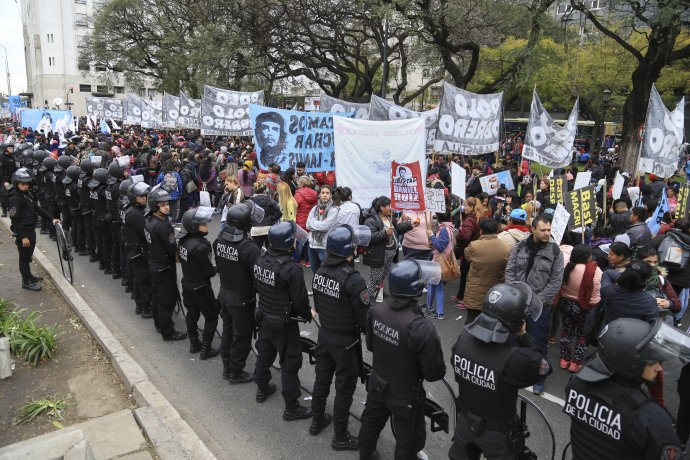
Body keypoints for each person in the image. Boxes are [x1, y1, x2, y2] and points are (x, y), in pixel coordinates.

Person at [448, 282, 551, 460]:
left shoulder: (463, 339)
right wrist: (523, 335)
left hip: (464, 423)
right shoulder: (516, 359)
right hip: (497, 435)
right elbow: (544, 367)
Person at [358, 260, 446, 460]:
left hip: (378, 382)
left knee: (370, 424)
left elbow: (372, 345)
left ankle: (366, 454)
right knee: (408, 441)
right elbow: (434, 373)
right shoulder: (421, 327)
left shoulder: (376, 310)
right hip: (405, 394)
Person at [564, 317, 684, 459]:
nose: (658, 368)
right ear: (632, 364)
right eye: (652, 362)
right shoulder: (650, 417)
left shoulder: (576, 384)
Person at [309, 225, 371, 451]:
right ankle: (340, 436)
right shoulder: (353, 280)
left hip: (324, 336)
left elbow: (318, 305)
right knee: (344, 390)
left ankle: (316, 420)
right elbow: (365, 319)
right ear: (349, 251)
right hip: (346, 343)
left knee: (322, 380)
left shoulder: (319, 272)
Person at [253, 221, 312, 420]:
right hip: (284, 323)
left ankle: (262, 388)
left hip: (265, 315)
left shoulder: (260, 259)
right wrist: (306, 314)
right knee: (290, 363)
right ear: (289, 243)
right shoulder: (291, 269)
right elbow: (300, 300)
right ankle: (292, 407)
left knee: (265, 353)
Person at [505, 215, 564, 395]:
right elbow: (510, 271)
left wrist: (535, 302)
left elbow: (555, 283)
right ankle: (515, 369)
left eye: (549, 230)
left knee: (537, 342)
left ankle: (539, 377)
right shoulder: (520, 247)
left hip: (540, 307)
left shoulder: (555, 252)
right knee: (513, 338)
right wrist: (513, 295)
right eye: (543, 230)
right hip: (517, 303)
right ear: (533, 229)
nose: (547, 233)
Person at [215, 201, 262, 383]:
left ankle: (227, 367)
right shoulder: (248, 248)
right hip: (242, 299)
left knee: (227, 332)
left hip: (225, 293)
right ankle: (236, 371)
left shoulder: (219, 240)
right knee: (241, 336)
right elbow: (257, 278)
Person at [6, 167, 60, 291]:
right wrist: (22, 237)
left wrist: (52, 218)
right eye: (22, 184)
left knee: (28, 255)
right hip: (23, 232)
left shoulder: (26, 194)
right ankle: (26, 282)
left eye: (27, 184)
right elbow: (15, 220)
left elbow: (37, 209)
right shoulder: (14, 199)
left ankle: (29, 276)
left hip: (30, 230)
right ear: (16, 184)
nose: (25, 186)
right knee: (24, 258)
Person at [145, 187, 187, 341]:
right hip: (164, 266)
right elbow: (171, 247)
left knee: (157, 297)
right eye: (162, 205)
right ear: (156, 206)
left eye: (168, 204)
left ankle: (159, 324)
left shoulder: (149, 220)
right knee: (166, 301)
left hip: (154, 263)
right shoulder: (163, 225)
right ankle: (167, 332)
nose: (167, 206)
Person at [178, 206, 220, 359]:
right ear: (195, 227)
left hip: (187, 283)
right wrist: (217, 268)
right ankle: (206, 349)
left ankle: (194, 343)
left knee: (192, 313)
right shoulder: (201, 246)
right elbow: (208, 271)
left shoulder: (183, 241)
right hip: (201, 286)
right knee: (212, 316)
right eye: (203, 224)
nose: (207, 226)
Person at [557, 244, 602, 373]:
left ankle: (564, 360)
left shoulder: (567, 267)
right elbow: (596, 294)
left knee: (566, 331)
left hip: (566, 304)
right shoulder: (595, 271)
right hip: (585, 307)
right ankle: (576, 363)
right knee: (583, 335)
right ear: (588, 256)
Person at [363, 196, 415, 303]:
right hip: (379, 255)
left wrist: (410, 225)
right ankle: (367, 300)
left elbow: (398, 229)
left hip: (390, 255)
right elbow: (370, 237)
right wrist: (385, 233)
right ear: (381, 207)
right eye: (388, 206)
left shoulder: (390, 217)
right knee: (375, 278)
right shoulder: (371, 220)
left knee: (381, 277)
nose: (391, 208)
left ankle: (378, 295)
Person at [463, 218, 511, 324]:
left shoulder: (474, 246)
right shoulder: (506, 247)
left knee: (472, 321)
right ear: (497, 231)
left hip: (475, 291)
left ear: (481, 231)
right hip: (496, 292)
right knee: (491, 322)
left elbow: (467, 256)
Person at [123, 181, 153, 318]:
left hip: (134, 250)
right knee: (144, 280)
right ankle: (146, 308)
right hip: (139, 252)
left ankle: (139, 305)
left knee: (138, 279)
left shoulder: (131, 210)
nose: (144, 198)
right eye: (141, 196)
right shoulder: (134, 214)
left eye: (145, 195)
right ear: (133, 198)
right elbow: (145, 232)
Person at [453, 196, 484, 308]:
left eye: (465, 206)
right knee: (466, 274)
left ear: (471, 207)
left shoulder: (469, 219)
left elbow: (466, 236)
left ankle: (466, 300)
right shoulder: (477, 217)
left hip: (468, 250)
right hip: (474, 249)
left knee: (467, 276)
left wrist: (458, 236)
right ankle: (461, 296)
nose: (463, 207)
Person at [425, 210, 454, 320]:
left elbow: (441, 247)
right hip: (443, 260)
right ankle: (438, 311)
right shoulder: (449, 228)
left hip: (438, 261)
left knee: (432, 284)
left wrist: (432, 236)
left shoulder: (444, 230)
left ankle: (432, 309)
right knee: (438, 286)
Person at [306, 185, 339, 273]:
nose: (325, 195)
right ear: (319, 195)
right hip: (312, 246)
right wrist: (316, 224)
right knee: (315, 271)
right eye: (323, 193)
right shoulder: (314, 208)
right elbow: (307, 225)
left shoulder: (333, 210)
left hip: (324, 246)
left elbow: (325, 227)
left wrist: (313, 222)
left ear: (331, 195)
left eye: (327, 193)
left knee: (327, 272)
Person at [88, 167, 113, 273]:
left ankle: (102, 262)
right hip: (103, 218)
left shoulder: (92, 188)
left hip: (96, 216)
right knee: (106, 242)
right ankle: (107, 265)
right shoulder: (103, 190)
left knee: (99, 241)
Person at [248, 182, 282, 250]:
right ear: (264, 191)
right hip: (268, 228)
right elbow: (280, 210)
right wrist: (273, 218)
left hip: (255, 228)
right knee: (269, 249)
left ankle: (257, 260)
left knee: (256, 250)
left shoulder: (250, 201)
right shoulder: (269, 199)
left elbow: (246, 213)